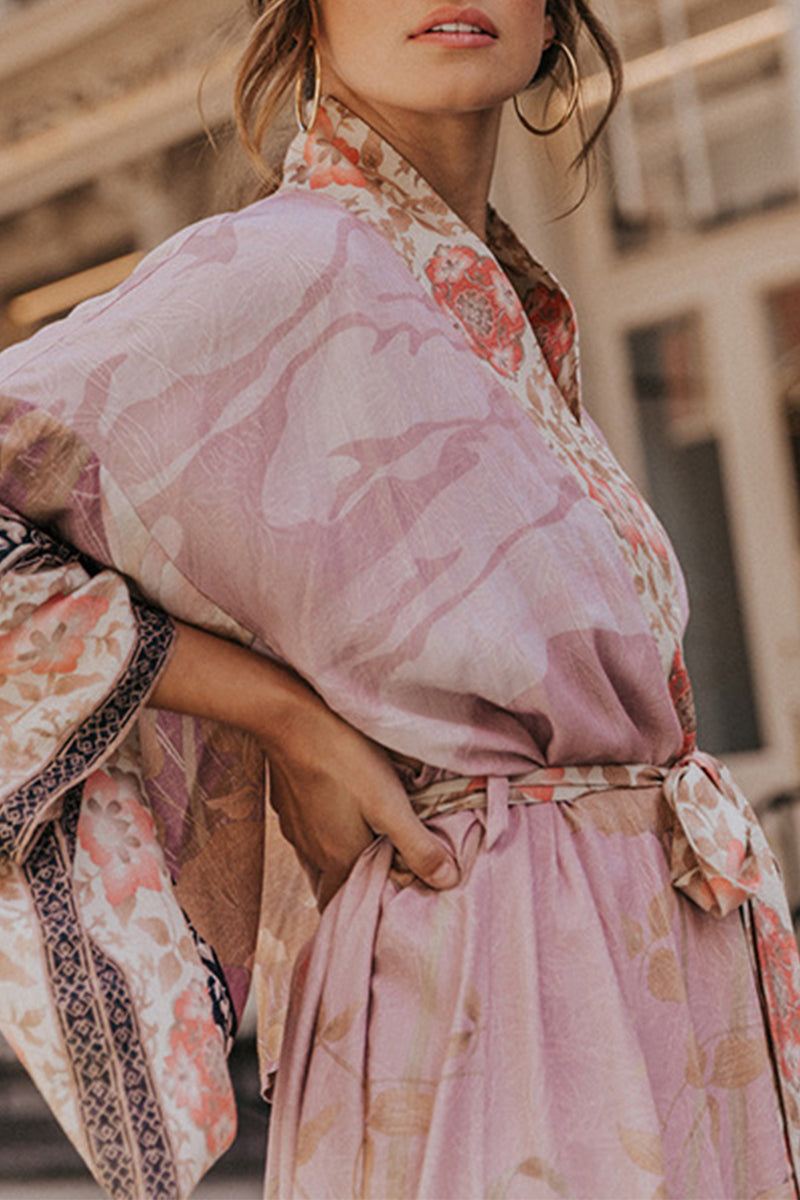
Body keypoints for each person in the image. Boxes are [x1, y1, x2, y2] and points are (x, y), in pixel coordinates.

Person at [0, 0, 799, 1197]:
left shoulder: (492, 304)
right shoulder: (283, 265)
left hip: (640, 965)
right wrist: (285, 718)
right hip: (494, 970)